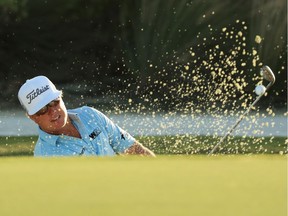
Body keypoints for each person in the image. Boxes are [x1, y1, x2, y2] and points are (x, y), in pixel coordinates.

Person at [18, 75, 155, 157]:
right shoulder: (45, 155)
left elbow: (133, 149)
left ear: (61, 97)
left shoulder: (90, 115)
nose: (53, 111)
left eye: (54, 102)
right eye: (42, 109)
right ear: (32, 117)